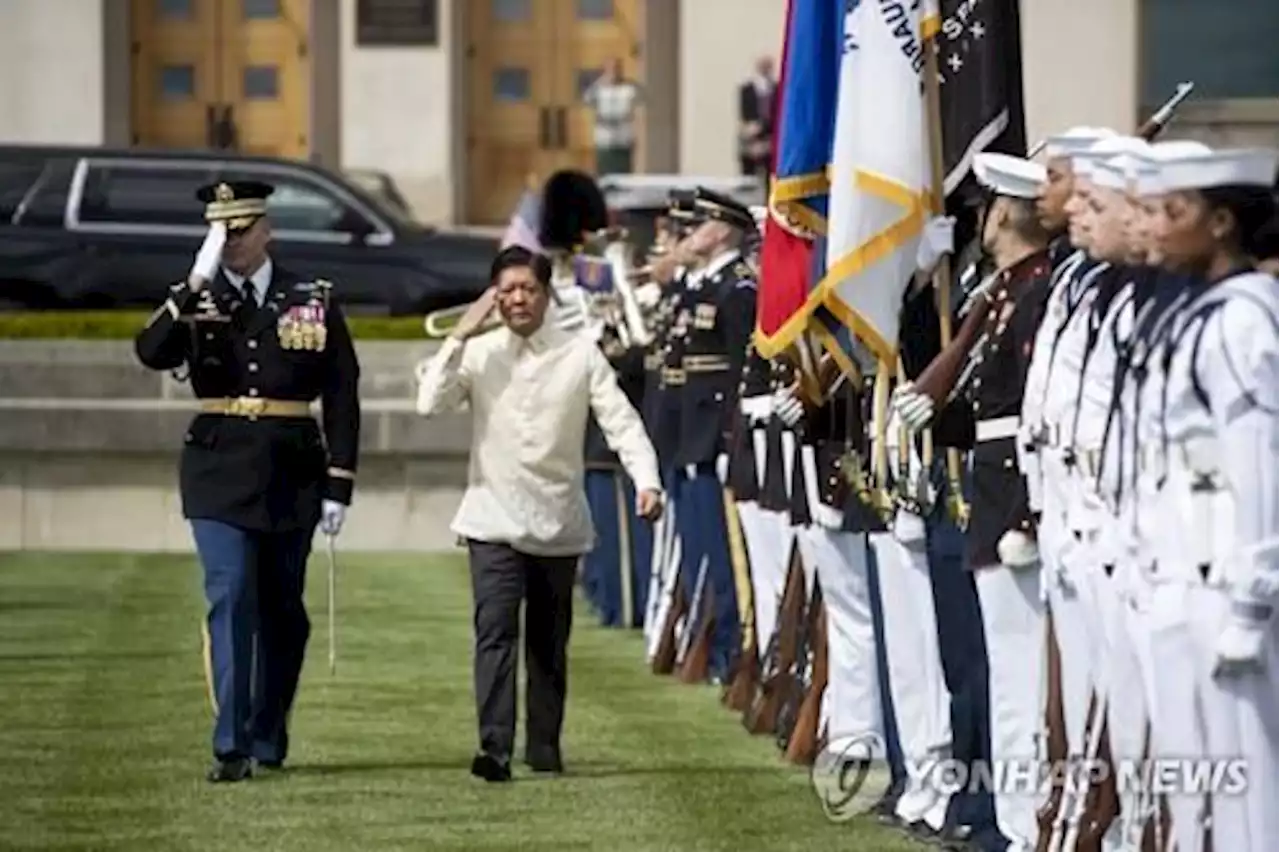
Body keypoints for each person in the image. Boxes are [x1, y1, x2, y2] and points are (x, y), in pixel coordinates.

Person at [134, 179, 361, 783]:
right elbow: (152, 351)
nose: (232, 243)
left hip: (291, 469)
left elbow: (341, 391)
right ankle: (231, 745)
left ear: (266, 230)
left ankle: (267, 732)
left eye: (240, 231)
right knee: (231, 596)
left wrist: (340, 482)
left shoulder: (309, 296)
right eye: (221, 233)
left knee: (283, 611)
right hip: (218, 469)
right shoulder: (198, 296)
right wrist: (194, 283)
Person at [414, 245, 664, 782]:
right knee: (496, 631)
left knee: (549, 642)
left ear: (547, 296)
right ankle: (494, 749)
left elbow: (621, 422)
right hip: (491, 518)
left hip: (557, 521)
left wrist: (647, 481)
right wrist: (459, 335)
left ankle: (544, 747)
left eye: (527, 289)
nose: (516, 299)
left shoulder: (580, 354)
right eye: (505, 291)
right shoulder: (479, 355)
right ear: (493, 297)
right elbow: (429, 402)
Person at [1142, 146, 1280, 852]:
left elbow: (1256, 465)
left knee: (1251, 801)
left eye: (1175, 212)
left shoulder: (1242, 323)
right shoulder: (1204, 316)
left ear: (1222, 222)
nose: (1157, 228)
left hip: (1229, 592)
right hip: (1188, 575)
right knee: (1201, 790)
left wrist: (1250, 602)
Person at [582, 59, 643, 177]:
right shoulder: (598, 90)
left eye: (617, 69)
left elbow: (641, 99)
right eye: (610, 70)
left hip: (623, 141)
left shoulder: (628, 89)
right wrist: (599, 82)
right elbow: (587, 99)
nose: (614, 73)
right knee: (604, 175)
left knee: (624, 176)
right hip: (605, 141)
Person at [738, 56, 776, 180]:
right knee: (749, 178)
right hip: (751, 139)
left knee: (769, 177)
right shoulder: (747, 89)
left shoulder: (777, 89)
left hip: (770, 140)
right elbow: (744, 117)